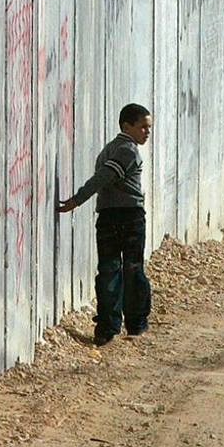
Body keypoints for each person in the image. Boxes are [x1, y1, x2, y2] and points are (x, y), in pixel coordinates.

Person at [57, 103, 153, 346]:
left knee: (110, 269)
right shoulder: (127, 151)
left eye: (148, 128)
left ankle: (108, 327)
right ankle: (133, 323)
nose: (147, 133)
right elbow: (103, 178)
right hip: (129, 217)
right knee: (130, 269)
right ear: (126, 126)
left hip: (109, 217)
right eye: (143, 127)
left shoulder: (109, 149)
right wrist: (76, 200)